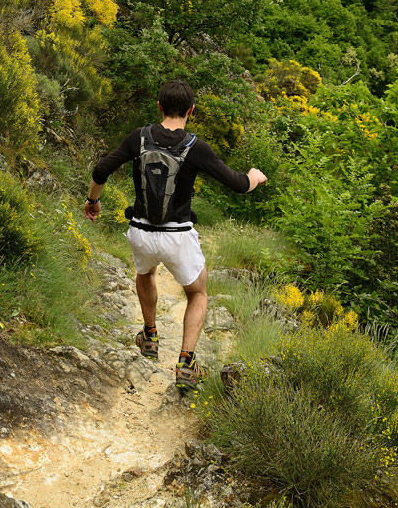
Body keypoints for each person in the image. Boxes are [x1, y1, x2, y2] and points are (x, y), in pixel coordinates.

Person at [83, 79, 267, 390]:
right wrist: (254, 177)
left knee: (145, 273)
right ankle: (186, 363)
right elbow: (237, 184)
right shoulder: (196, 147)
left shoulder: (138, 138)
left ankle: (150, 336)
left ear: (159, 107)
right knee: (197, 293)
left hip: (140, 232)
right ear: (191, 110)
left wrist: (93, 201)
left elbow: (101, 169)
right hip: (177, 236)